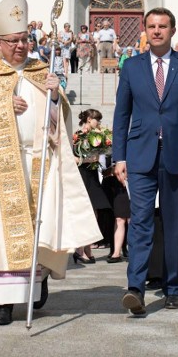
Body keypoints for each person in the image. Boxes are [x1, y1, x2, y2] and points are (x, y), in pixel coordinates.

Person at [0, 0, 100, 326]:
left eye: (24, 39)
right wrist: (0, 107)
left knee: (39, 227)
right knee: (0, 234)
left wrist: (56, 97)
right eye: (12, 41)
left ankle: (34, 284)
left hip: (38, 163)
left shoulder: (42, 73)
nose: (20, 46)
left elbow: (58, 126)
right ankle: (1, 304)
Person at [113, 7, 178, 315]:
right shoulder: (131, 67)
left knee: (172, 225)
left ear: (172, 30)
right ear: (145, 30)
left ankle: (172, 288)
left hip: (177, 156)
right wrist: (119, 156)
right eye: (152, 26)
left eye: (162, 26)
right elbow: (122, 114)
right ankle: (135, 290)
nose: (156, 31)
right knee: (140, 222)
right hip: (140, 156)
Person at [73, 109, 112, 264]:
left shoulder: (97, 135)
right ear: (89, 119)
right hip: (82, 175)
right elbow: (71, 158)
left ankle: (87, 247)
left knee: (94, 212)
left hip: (93, 176)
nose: (99, 123)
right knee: (84, 212)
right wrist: (87, 160)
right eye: (97, 120)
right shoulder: (77, 136)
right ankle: (79, 250)